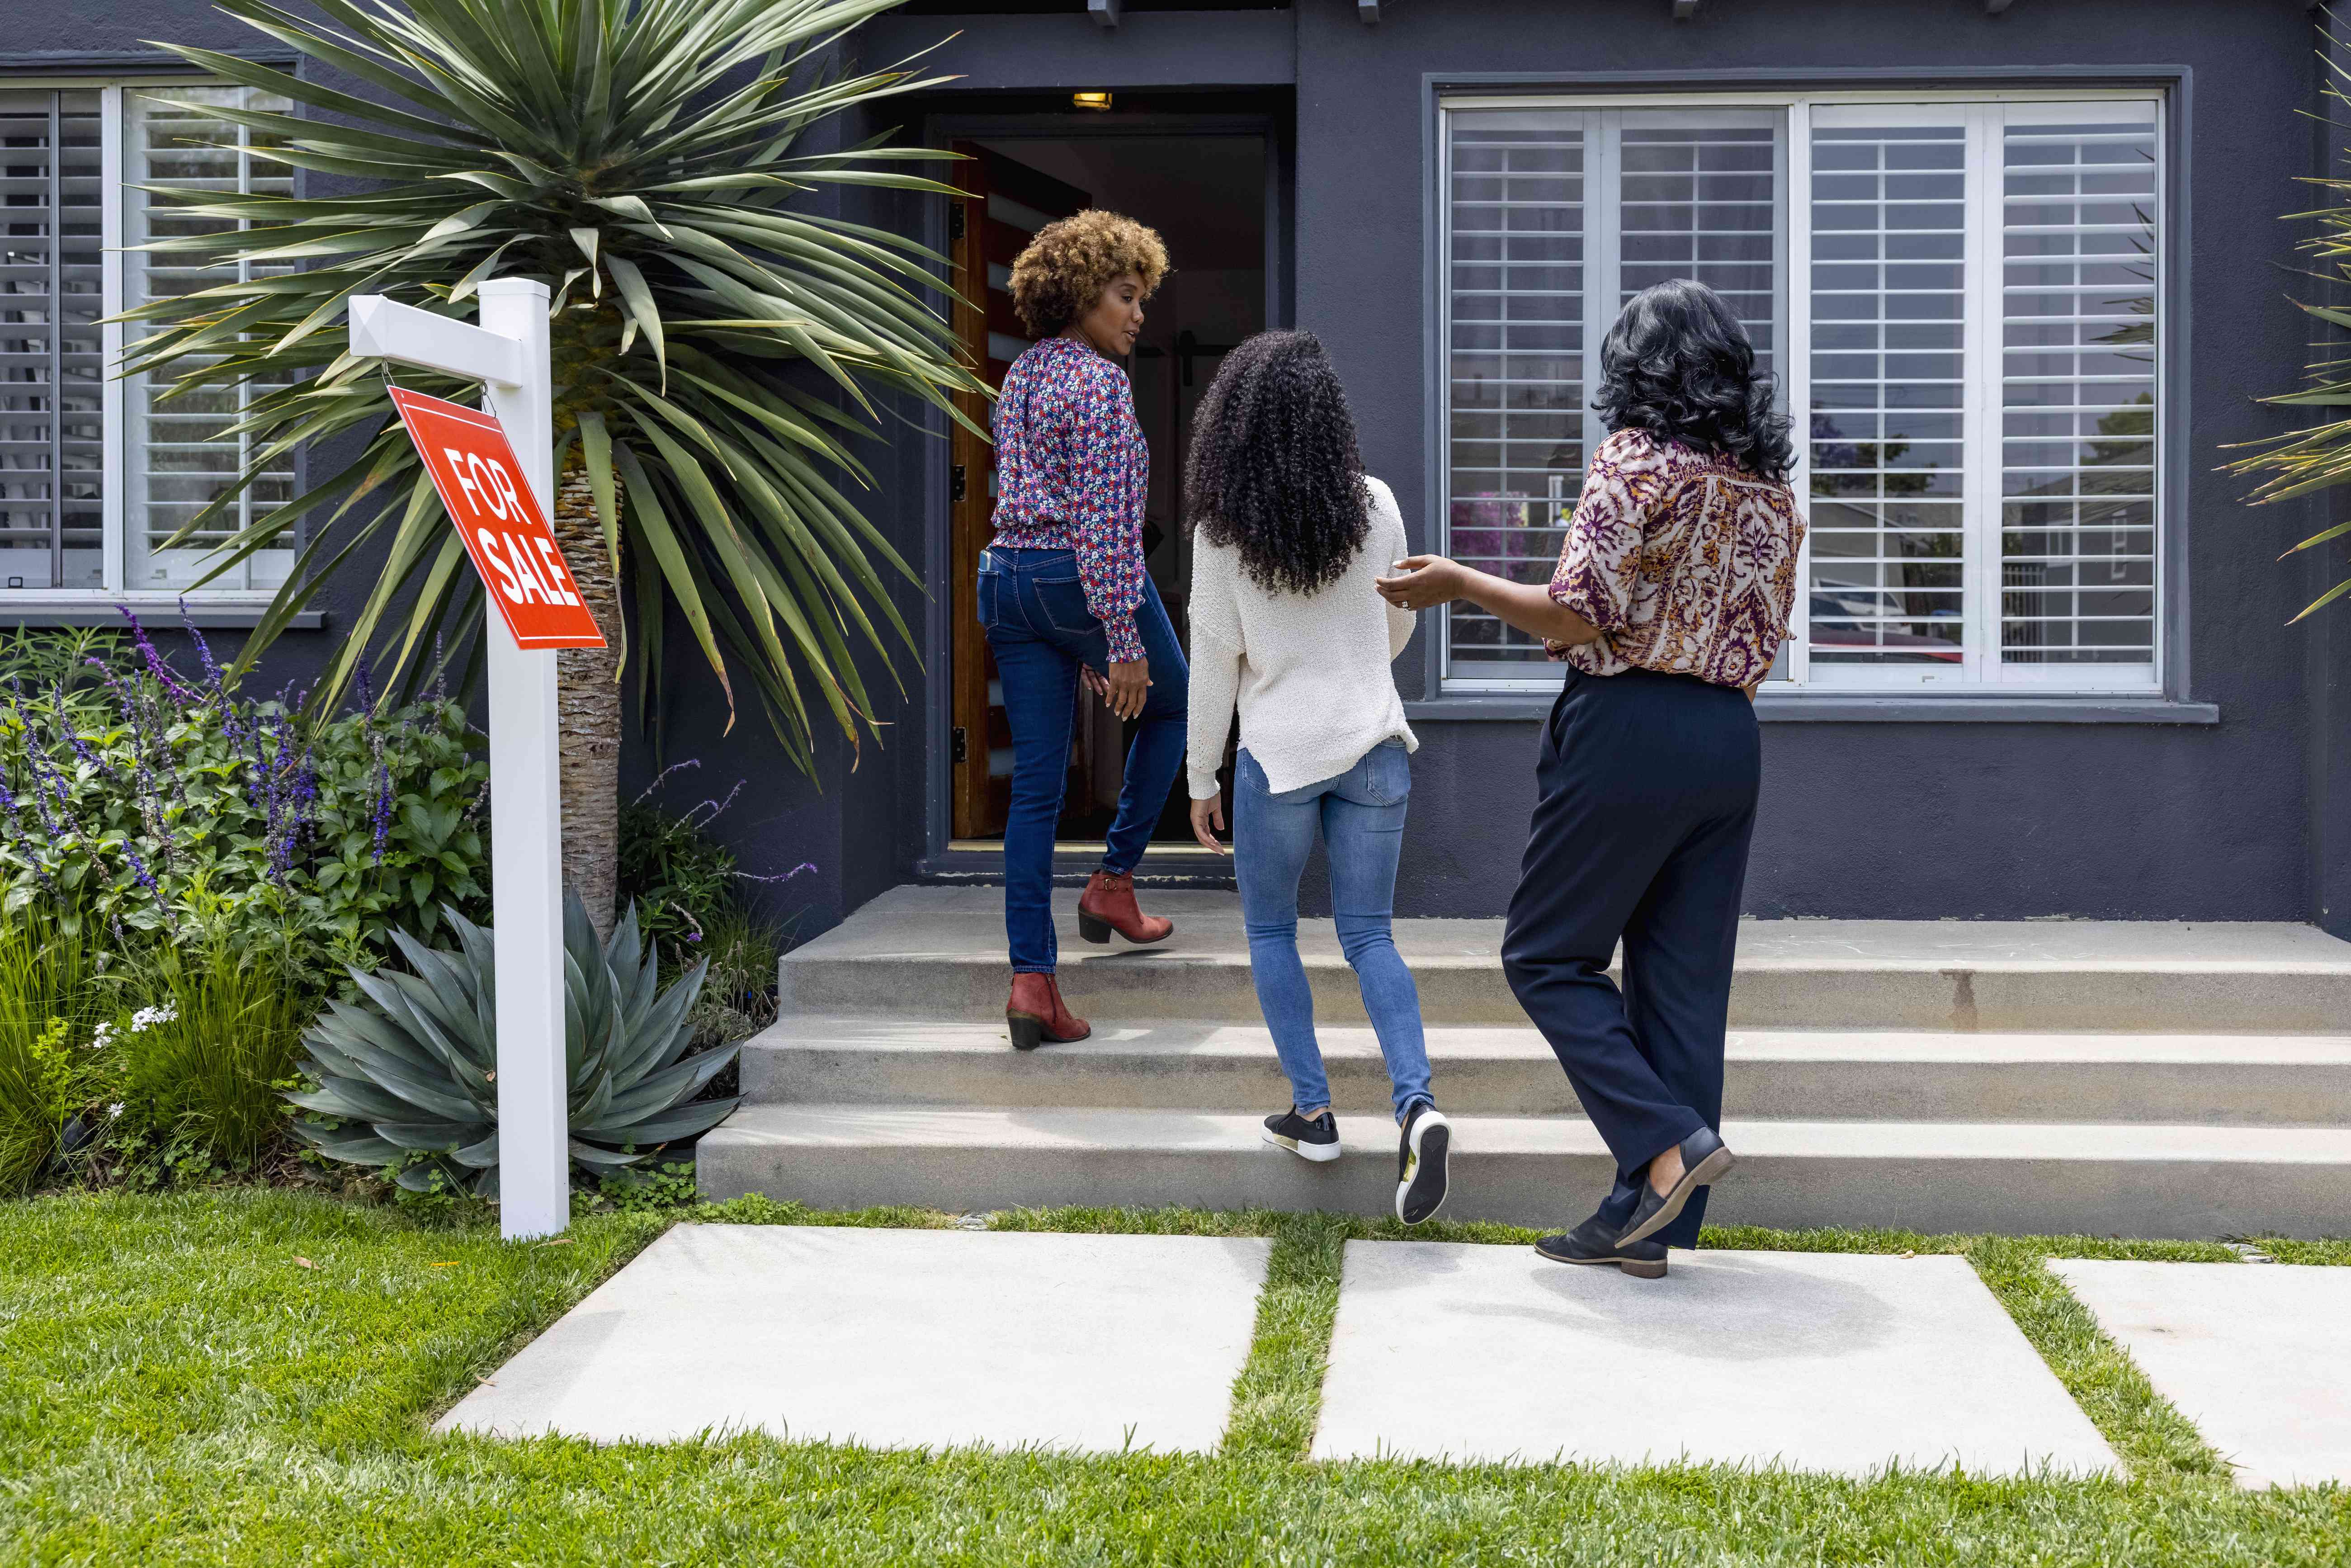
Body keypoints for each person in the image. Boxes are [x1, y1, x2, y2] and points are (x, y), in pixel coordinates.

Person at [1376, 279, 1803, 1275]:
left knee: (1545, 956)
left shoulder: (1632, 460)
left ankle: (1668, 1147)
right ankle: (1646, 1225)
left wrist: (1458, 584)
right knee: (1681, 991)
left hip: (1628, 726)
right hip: (1726, 737)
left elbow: (1577, 615)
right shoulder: (1768, 491)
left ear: (1638, 371)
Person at [1184, 330, 1451, 1226]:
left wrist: (1197, 778)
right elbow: (1399, 627)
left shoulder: (1221, 530)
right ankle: (1416, 1107)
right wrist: (1353, 670)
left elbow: (1214, 665)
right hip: (1373, 745)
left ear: (1236, 421)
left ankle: (1313, 1113)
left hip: (1279, 758)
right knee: (1369, 935)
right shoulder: (1373, 504)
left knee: (1270, 930)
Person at [983, 210, 1188, 1051]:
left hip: (1007, 580)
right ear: (1079, 295)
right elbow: (1105, 525)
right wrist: (1120, 638)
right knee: (1175, 705)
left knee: (1034, 789)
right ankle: (1113, 880)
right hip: (1077, 578)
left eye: (1142, 298)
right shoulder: (1101, 386)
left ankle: (1033, 981)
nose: (1138, 315)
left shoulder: (1023, 374)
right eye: (1125, 296)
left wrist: (1088, 642)